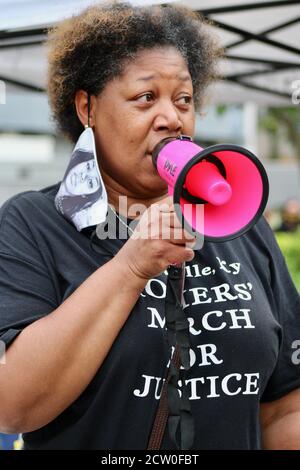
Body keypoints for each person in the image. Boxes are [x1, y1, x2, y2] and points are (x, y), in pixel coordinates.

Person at [0, 2, 300, 451]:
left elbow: (282, 407)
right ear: (88, 107)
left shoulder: (243, 226)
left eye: (184, 99)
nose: (171, 118)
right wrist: (131, 267)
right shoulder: (34, 222)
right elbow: (14, 407)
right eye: (146, 98)